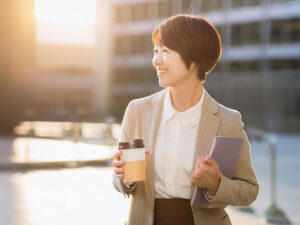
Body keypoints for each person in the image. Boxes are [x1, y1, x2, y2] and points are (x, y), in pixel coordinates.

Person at [112, 14, 259, 225]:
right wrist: (124, 177)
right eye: (156, 51)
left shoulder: (227, 121)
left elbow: (249, 190)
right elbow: (121, 180)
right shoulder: (138, 111)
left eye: (165, 51)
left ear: (194, 60)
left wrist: (217, 184)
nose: (156, 60)